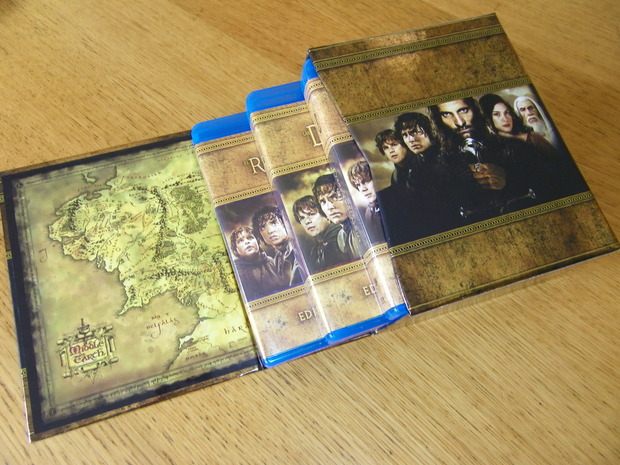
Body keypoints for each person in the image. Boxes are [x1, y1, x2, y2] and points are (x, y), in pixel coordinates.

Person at [429, 97, 545, 220]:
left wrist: (510, 179)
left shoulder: (515, 147)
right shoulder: (437, 166)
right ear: (438, 120)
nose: (459, 122)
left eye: (463, 110)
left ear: (475, 110)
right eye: (447, 114)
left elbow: (546, 186)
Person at [479, 93, 558, 159]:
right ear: (488, 119)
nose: (505, 119)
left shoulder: (532, 138)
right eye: (497, 114)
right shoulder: (489, 148)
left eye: (507, 112)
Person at [292, 195, 349, 273]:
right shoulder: (315, 251)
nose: (307, 221)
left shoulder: (342, 236)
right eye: (302, 218)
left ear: (326, 214)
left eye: (311, 214)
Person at [312, 174, 363, 259]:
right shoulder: (341, 236)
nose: (329, 207)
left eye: (335, 197)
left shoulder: (363, 228)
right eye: (323, 202)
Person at [251, 205, 303, 287]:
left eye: (274, 223)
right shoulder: (277, 258)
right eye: (262, 227)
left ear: (284, 223)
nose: (270, 231)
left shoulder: (298, 249)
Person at [229, 225, 285, 301]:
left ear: (257, 242)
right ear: (235, 250)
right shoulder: (236, 274)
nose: (247, 242)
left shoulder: (270, 261)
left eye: (250, 238)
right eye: (240, 241)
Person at [347, 160, 384, 244]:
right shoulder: (369, 211)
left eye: (366, 181)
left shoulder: (391, 203)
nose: (363, 189)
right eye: (358, 185)